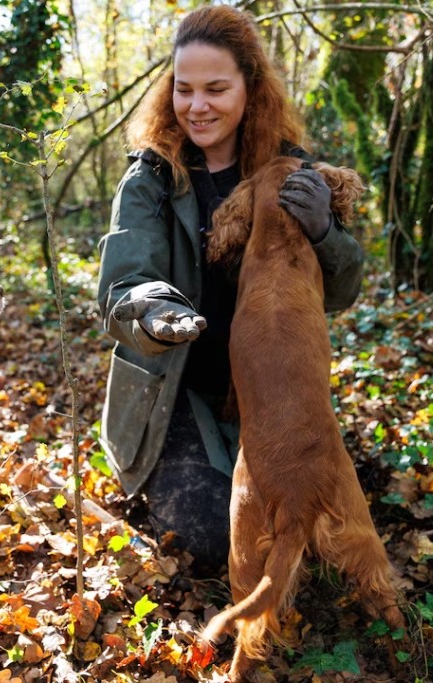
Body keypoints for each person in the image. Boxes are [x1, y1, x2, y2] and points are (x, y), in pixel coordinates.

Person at [96, 5, 365, 576]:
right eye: (184, 89)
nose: (197, 106)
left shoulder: (289, 169)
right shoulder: (151, 179)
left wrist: (324, 232)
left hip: (269, 389)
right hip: (178, 394)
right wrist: (152, 310)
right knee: (217, 543)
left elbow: (342, 291)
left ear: (251, 88)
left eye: (216, 88)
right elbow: (121, 287)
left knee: (317, 532)